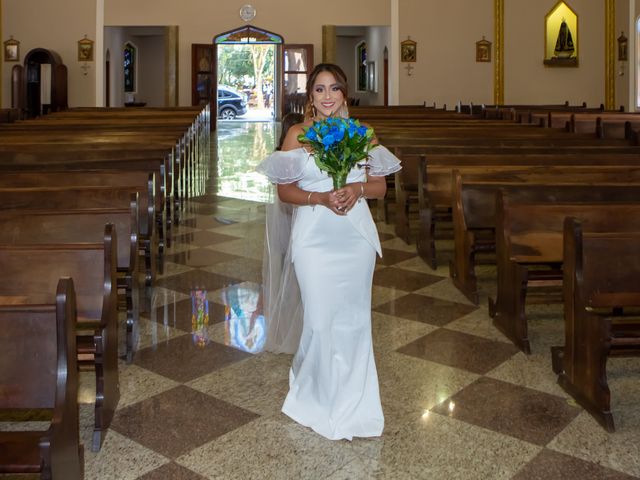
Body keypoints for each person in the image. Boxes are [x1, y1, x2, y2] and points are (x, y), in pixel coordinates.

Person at [256, 63, 401, 441]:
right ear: (310, 97)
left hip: (354, 237)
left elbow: (380, 187)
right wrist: (318, 196)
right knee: (320, 320)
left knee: (353, 321)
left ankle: (357, 402)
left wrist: (356, 190)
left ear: (344, 93)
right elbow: (284, 191)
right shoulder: (297, 134)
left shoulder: (363, 134)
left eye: (334, 88)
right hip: (314, 236)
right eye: (319, 90)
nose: (327, 97)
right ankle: (315, 397)